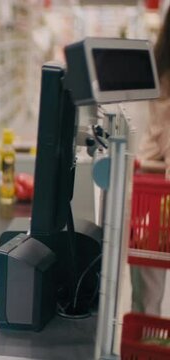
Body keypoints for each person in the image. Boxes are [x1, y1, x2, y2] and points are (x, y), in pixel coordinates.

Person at [131, 8, 170, 316]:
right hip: (157, 192)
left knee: (146, 296)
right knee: (148, 297)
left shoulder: (158, 66)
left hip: (148, 189)